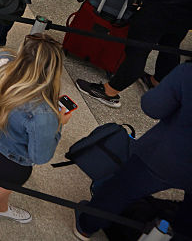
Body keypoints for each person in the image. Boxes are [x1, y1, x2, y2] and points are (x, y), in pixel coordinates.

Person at [0, 34, 72, 241]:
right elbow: (40, 156)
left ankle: (0, 208)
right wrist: (59, 125)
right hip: (9, 161)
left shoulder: (1, 59)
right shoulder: (44, 113)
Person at [74, 63, 192, 240]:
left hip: (168, 156)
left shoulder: (188, 73)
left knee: (121, 189)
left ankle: (87, 225)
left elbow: (152, 106)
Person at [76, 0, 191, 109]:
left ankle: (109, 92)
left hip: (159, 11)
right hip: (183, 17)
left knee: (137, 51)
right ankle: (157, 81)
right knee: (170, 46)